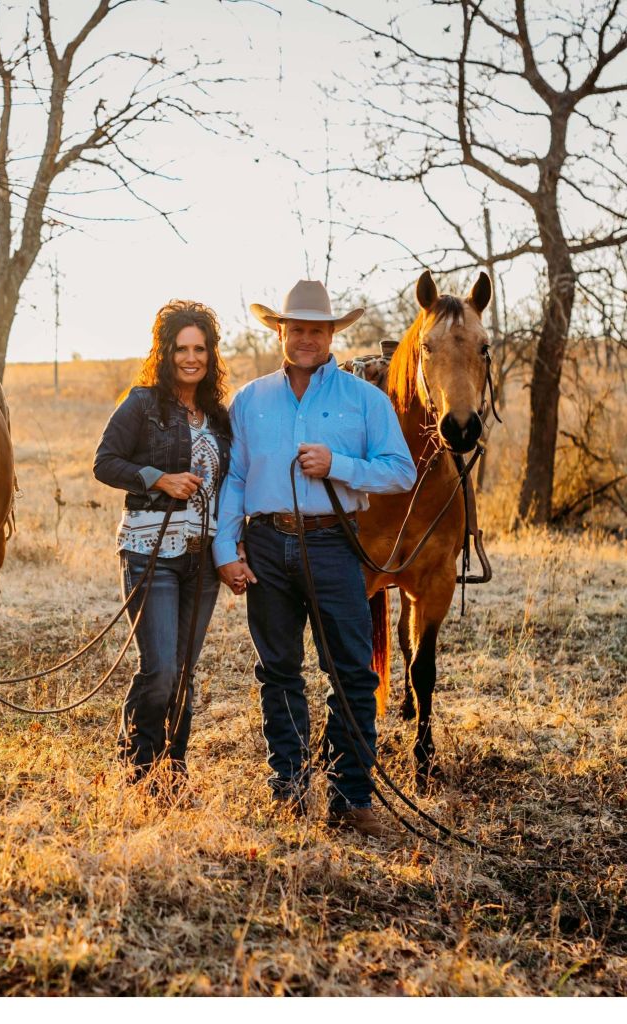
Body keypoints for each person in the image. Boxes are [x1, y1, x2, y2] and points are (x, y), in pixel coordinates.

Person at [212, 280, 416, 836]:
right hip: (266, 546)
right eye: (296, 328)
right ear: (280, 331)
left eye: (317, 330)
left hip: (332, 543)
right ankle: (290, 789)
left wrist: (341, 464)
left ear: (332, 335)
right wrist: (224, 547)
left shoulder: (365, 400)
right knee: (278, 671)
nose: (306, 339)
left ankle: (351, 798)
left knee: (351, 672)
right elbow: (233, 477)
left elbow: (402, 471)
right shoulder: (250, 400)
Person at [93, 299, 231, 788]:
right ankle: (136, 768)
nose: (191, 358)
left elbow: (228, 487)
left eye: (200, 348)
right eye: (181, 348)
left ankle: (172, 771)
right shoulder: (142, 403)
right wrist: (158, 478)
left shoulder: (218, 417)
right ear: (165, 352)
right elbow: (105, 462)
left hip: (204, 562)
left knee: (184, 675)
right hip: (152, 553)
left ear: (211, 354)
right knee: (161, 671)